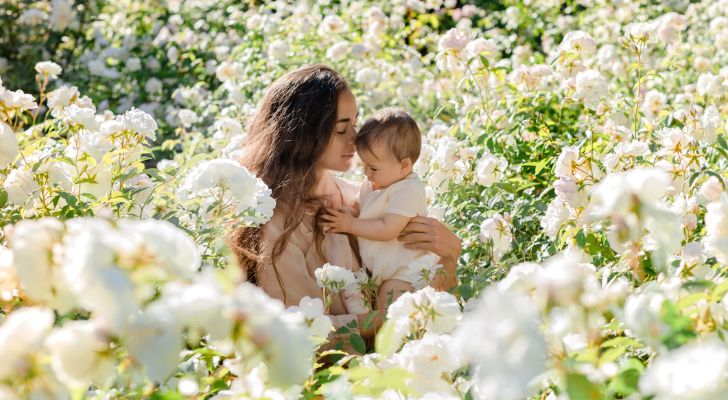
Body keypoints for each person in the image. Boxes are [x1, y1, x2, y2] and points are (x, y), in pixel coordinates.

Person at [228, 64, 460, 338]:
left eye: (355, 123)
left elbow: (436, 300)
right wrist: (388, 319)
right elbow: (299, 332)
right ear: (304, 134)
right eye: (341, 130)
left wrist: (450, 255)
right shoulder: (275, 224)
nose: (356, 138)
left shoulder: (369, 197)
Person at [322, 108, 437, 309]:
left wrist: (350, 224)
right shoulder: (375, 182)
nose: (367, 173)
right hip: (379, 271)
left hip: (403, 273)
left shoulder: (407, 189)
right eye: (364, 165)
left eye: (373, 168)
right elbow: (361, 208)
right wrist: (348, 213)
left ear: (404, 166)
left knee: (390, 312)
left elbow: (387, 229)